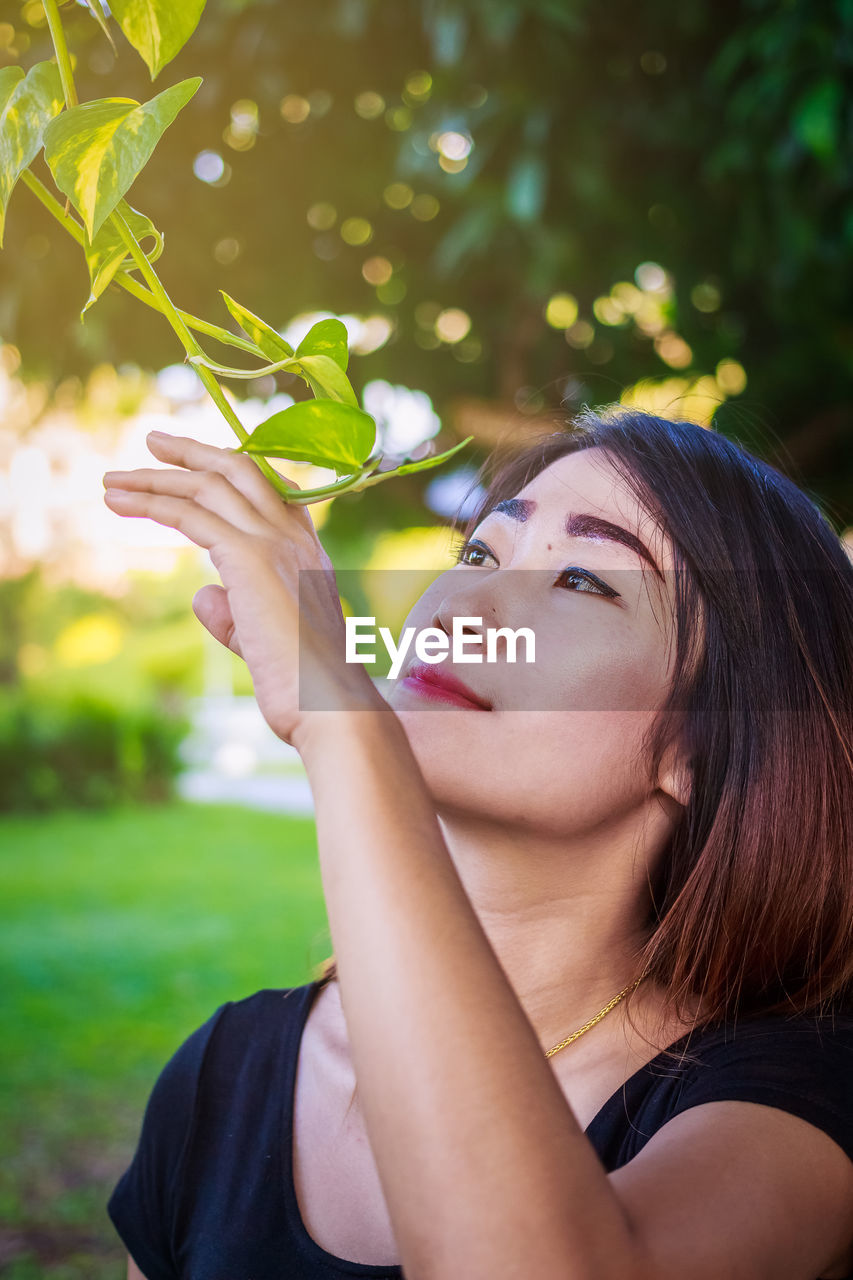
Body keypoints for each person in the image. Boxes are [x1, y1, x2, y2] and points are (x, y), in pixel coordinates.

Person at [102, 407, 853, 1280]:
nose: (464, 605)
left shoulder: (796, 1097)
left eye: (580, 578)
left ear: (706, 741)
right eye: (477, 554)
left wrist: (340, 727)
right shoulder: (220, 1077)